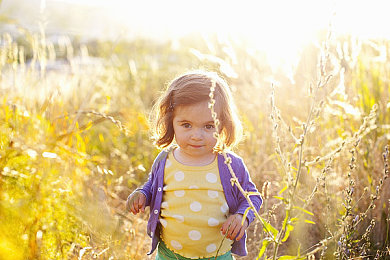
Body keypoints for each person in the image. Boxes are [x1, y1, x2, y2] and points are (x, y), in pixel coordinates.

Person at [126, 71, 262, 259]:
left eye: (208, 126)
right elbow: (152, 187)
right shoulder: (165, 160)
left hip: (216, 254)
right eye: (186, 125)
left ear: (223, 125)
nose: (196, 135)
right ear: (171, 122)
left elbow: (251, 196)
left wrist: (241, 217)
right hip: (170, 253)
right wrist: (142, 194)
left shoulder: (230, 164)